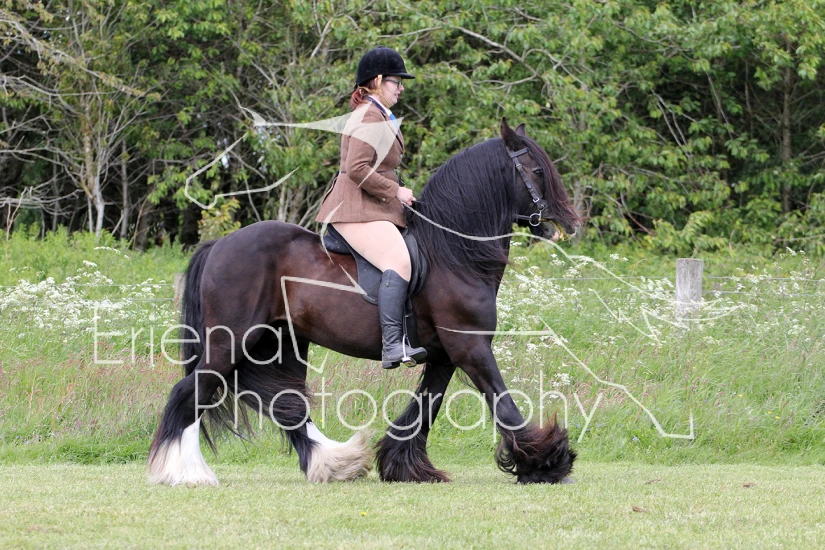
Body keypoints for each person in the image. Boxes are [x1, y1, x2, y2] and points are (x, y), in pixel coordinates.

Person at [316, 46, 427, 369]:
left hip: (372, 206)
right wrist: (396, 191)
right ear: (377, 81)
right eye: (396, 81)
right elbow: (357, 168)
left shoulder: (380, 114)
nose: (401, 88)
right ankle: (392, 344)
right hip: (353, 207)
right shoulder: (369, 114)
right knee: (398, 260)